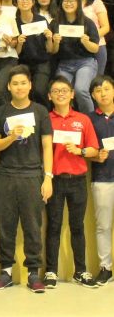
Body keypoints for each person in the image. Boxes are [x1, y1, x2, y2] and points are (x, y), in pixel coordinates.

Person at [0, 65, 53, 293]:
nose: (19, 87)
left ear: (30, 85)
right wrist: (10, 137)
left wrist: (48, 177)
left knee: (33, 225)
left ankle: (34, 273)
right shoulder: (0, 112)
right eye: (15, 83)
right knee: (5, 225)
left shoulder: (40, 111)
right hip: (5, 174)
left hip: (32, 174)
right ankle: (6, 271)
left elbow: (47, 146)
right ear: (9, 86)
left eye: (23, 83)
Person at [44, 76, 99, 289]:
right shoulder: (46, 119)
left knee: (77, 227)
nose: (61, 94)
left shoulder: (83, 120)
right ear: (49, 96)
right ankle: (51, 271)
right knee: (54, 226)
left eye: (64, 90)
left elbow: (93, 149)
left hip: (77, 181)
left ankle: (81, 271)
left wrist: (80, 151)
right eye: (56, 91)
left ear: (72, 94)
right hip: (55, 180)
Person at [49, 0, 99, 114]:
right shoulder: (55, 23)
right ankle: (63, 118)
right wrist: (55, 42)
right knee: (59, 91)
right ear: (61, 3)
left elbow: (95, 48)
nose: (68, 4)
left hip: (85, 62)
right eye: (65, 1)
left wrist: (86, 42)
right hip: (64, 64)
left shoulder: (87, 22)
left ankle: (89, 120)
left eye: (72, 1)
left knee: (80, 90)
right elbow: (53, 51)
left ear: (78, 3)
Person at [88, 75, 114, 285]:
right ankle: (106, 268)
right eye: (98, 90)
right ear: (93, 96)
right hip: (102, 178)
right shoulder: (89, 119)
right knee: (103, 226)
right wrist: (96, 156)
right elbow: (85, 150)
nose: (103, 93)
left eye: (106, 88)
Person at [15, 0, 53, 108]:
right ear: (16, 3)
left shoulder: (41, 20)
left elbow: (50, 49)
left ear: (33, 2)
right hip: (23, 64)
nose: (24, 1)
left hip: (42, 62)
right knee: (23, 91)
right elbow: (16, 53)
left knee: (39, 91)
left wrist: (49, 38)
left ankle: (46, 114)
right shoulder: (15, 23)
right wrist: (19, 43)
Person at [71, 0, 110, 75]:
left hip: (97, 46)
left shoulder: (96, 3)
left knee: (96, 81)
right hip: (75, 48)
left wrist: (91, 38)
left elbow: (106, 27)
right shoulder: (69, 4)